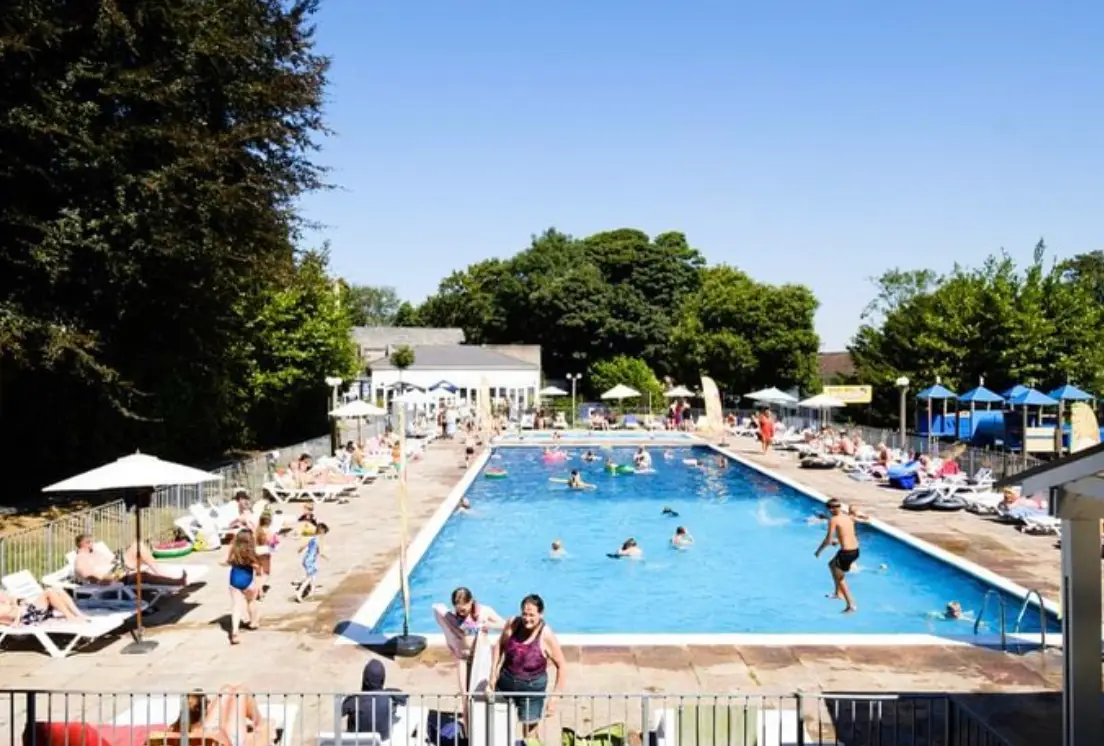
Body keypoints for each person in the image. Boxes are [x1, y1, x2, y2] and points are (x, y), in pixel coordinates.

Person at [489, 594, 567, 738]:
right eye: (524, 614)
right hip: (506, 682)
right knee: (499, 726)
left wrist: (555, 698)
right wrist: (493, 674)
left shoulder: (546, 635)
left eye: (532, 615)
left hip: (532, 689)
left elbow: (561, 666)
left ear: (541, 614)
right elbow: (499, 645)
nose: (527, 618)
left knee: (529, 732)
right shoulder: (513, 623)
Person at [433, 587, 505, 693]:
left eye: (463, 610)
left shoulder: (484, 611)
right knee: (464, 694)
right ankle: (465, 709)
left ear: (471, 601)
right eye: (458, 610)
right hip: (463, 658)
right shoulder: (454, 617)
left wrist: (487, 625)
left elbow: (505, 625)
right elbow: (436, 607)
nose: (461, 613)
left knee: (478, 692)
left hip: (481, 657)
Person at [167, 686, 274, 746]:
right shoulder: (208, 734)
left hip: (209, 734)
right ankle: (260, 723)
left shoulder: (173, 733)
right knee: (237, 692)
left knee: (230, 692)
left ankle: (260, 723)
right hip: (226, 740)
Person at [73, 534, 188, 587]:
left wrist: (115, 562)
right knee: (144, 575)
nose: (92, 544)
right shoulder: (81, 559)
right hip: (109, 578)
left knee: (137, 546)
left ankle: (163, 574)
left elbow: (112, 559)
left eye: (91, 541)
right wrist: (102, 580)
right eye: (89, 542)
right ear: (83, 544)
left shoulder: (96, 552)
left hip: (116, 570)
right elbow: (87, 575)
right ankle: (174, 581)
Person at [341, 659, 408, 739]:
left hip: (357, 741)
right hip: (383, 739)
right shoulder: (389, 696)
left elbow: (341, 711)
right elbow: (404, 699)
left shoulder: (354, 700)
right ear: (382, 679)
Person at [814, 499, 860, 613]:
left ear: (830, 509)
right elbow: (848, 534)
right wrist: (839, 542)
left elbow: (828, 539)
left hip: (846, 553)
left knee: (840, 578)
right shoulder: (848, 517)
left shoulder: (833, 520)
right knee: (831, 564)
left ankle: (851, 605)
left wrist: (819, 551)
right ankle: (837, 593)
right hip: (855, 551)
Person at [226, 529, 261, 644]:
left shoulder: (234, 550)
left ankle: (235, 631)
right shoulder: (250, 552)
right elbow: (256, 566)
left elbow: (227, 561)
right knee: (251, 601)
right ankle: (253, 622)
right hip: (248, 582)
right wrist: (258, 572)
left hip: (234, 581)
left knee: (236, 607)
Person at [0, 587, 90, 626]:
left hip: (28, 610)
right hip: (27, 617)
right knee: (49, 592)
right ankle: (70, 617)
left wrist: (16, 601)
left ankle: (78, 614)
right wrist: (15, 605)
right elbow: (11, 619)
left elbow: (12, 599)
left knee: (56, 589)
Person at [295, 522, 329, 601]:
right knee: (309, 578)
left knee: (312, 575)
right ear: (322, 531)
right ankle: (299, 593)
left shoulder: (312, 538)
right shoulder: (319, 539)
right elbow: (321, 552)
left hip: (306, 558)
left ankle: (312, 591)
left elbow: (302, 547)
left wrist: (299, 550)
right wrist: (327, 558)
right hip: (310, 560)